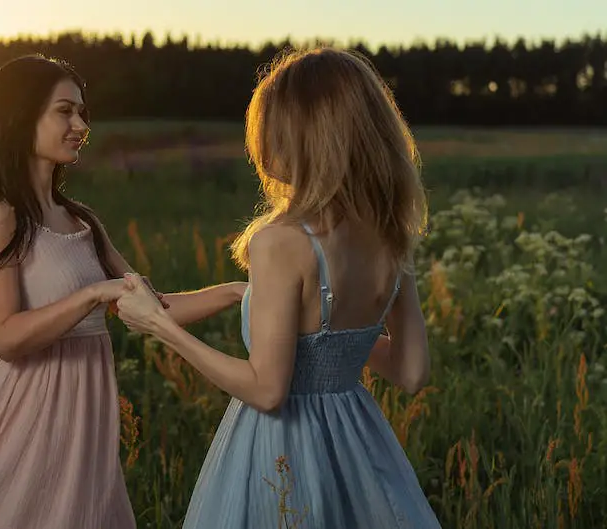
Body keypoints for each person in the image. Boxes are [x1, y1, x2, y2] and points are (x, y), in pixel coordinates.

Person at [0, 54, 245, 529]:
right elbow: (5, 338)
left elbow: (157, 309)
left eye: (83, 113)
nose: (80, 125)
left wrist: (237, 291)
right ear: (21, 116)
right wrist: (92, 296)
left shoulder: (82, 220)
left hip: (86, 414)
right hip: (31, 411)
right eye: (65, 111)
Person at [114, 47, 441, 528]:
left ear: (306, 135)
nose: (262, 146)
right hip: (359, 447)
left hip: (280, 450)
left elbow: (267, 391)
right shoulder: (392, 234)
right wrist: (333, 349)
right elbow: (412, 372)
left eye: (271, 127)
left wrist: (161, 326)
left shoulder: (281, 241)